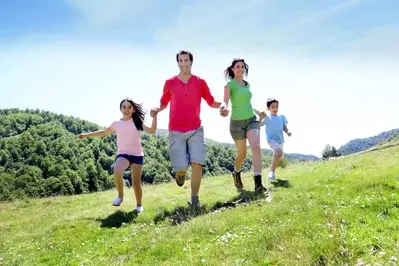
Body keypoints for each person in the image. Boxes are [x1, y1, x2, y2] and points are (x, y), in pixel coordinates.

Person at [151, 50, 227, 208]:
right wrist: (157, 109)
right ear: (177, 63)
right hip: (176, 131)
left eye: (186, 60)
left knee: (197, 163)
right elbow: (163, 102)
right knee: (181, 167)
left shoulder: (200, 82)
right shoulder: (170, 83)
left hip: (195, 129)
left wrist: (223, 105)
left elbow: (211, 101)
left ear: (191, 62)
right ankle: (180, 173)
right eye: (180, 61)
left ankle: (194, 199)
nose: (183, 63)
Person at [79, 98, 157, 213]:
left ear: (134, 109)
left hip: (137, 156)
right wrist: (86, 135)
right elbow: (103, 132)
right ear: (121, 109)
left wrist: (154, 117)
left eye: (129, 107)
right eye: (124, 107)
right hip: (123, 154)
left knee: (136, 184)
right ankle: (120, 196)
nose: (126, 109)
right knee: (117, 169)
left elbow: (152, 130)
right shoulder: (117, 124)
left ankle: (139, 205)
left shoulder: (137, 122)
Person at [220, 58, 267, 193]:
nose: (240, 69)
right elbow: (225, 100)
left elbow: (248, 103)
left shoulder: (247, 85)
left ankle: (258, 183)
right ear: (233, 69)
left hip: (251, 120)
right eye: (237, 67)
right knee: (242, 153)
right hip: (237, 124)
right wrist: (224, 108)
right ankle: (236, 172)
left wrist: (259, 112)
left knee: (256, 147)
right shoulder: (230, 84)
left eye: (242, 67)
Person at [260, 98, 292, 181]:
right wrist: (261, 117)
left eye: (276, 106)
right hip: (271, 140)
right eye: (272, 107)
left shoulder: (281, 117)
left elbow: (284, 126)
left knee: (280, 156)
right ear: (268, 108)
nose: (275, 109)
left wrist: (288, 131)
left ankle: (274, 165)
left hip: (280, 140)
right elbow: (259, 125)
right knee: (278, 152)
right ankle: (271, 172)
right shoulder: (267, 119)